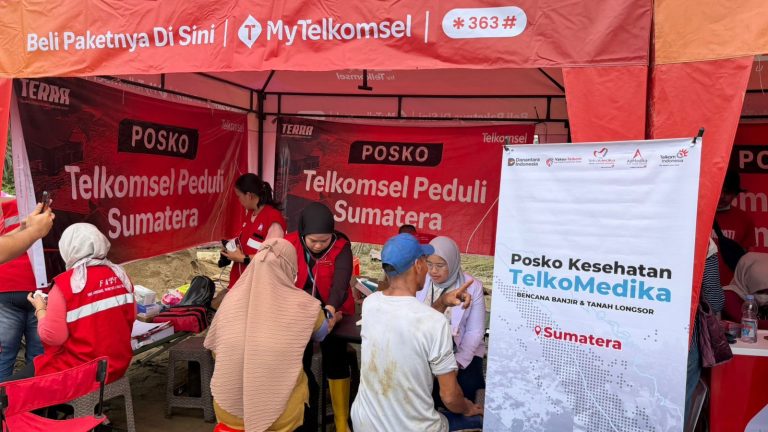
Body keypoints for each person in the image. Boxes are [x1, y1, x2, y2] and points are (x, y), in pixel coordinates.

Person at [205, 239, 341, 432]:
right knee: (311, 386)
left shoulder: (229, 300)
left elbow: (216, 349)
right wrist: (331, 316)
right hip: (281, 418)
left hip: (228, 410)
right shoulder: (304, 304)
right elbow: (321, 333)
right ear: (290, 268)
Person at [351, 234, 483, 432]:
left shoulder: (371, 303)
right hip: (414, 427)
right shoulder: (435, 323)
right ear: (418, 265)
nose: (431, 270)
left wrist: (442, 302)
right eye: (426, 262)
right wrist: (468, 408)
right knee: (479, 419)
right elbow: (450, 398)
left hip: (364, 422)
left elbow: (415, 320)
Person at [7, 223, 134, 384]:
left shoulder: (65, 284)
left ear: (66, 248)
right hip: (117, 365)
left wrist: (40, 308)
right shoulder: (121, 276)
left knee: (9, 388)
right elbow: (129, 315)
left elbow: (52, 337)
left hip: (81, 371)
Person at [286, 202, 356, 432]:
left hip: (334, 311)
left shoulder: (341, 247)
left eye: (324, 240)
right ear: (303, 233)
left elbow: (340, 284)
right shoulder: (289, 243)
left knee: (335, 358)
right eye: (313, 240)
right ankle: (301, 417)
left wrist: (331, 311)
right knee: (299, 362)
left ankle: (341, 421)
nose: (318, 245)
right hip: (298, 314)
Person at [416, 236, 487, 408]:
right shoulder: (420, 280)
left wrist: (458, 362)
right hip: (427, 348)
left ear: (453, 262)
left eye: (440, 265)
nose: (433, 271)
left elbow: (475, 332)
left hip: (461, 349)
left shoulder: (473, 287)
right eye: (429, 264)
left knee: (465, 387)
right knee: (420, 388)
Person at [0, 198, 43, 380]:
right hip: (39, 288)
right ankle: (37, 397)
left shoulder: (5, 206)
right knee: (39, 358)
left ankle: (2, 396)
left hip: (5, 285)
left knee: (4, 356)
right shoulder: (46, 209)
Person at [221, 173, 286, 289]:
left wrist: (242, 258)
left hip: (257, 285)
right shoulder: (251, 213)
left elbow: (272, 257)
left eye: (239, 196)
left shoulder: (273, 219)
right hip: (239, 282)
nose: (239, 200)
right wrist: (230, 250)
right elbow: (246, 241)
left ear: (249, 195)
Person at [685, 239, 724, 423]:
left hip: (630, 338)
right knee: (673, 411)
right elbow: (714, 299)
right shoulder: (702, 239)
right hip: (685, 339)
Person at [713, 169, 756, 285]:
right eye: (719, 190)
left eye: (727, 192)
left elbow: (749, 257)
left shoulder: (744, 219)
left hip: (732, 287)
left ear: (736, 194)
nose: (722, 196)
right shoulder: (697, 216)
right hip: (697, 286)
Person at [721, 252, 768, 330]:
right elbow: (748, 323)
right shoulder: (728, 296)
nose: (766, 297)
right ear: (747, 278)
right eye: (761, 291)